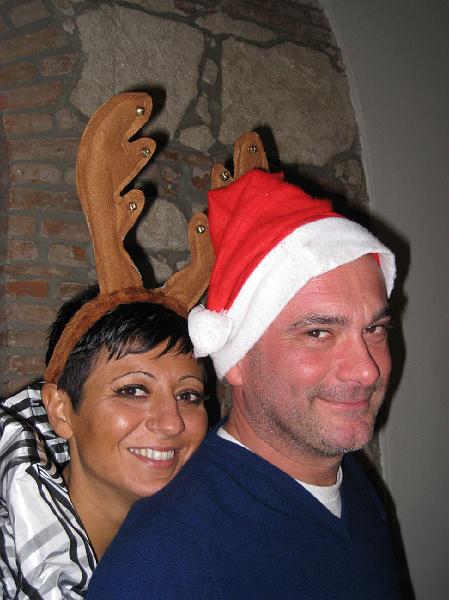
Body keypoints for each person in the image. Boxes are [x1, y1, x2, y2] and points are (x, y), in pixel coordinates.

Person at [88, 167, 401, 599]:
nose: (366, 371)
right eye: (318, 333)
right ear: (236, 361)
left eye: (375, 329)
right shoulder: (162, 566)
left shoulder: (354, 486)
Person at [0, 285, 208, 599]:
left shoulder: (211, 550)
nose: (171, 423)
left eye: (188, 395)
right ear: (61, 410)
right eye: (133, 390)